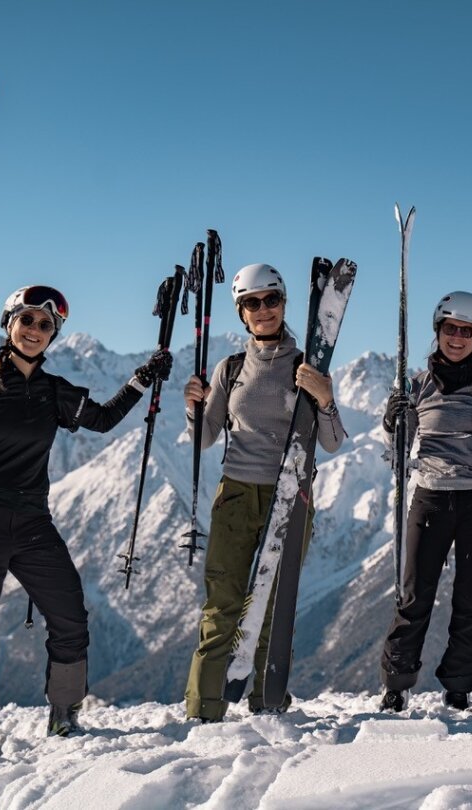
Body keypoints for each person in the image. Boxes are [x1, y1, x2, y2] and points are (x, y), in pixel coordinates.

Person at [0, 285, 172, 743]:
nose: (36, 330)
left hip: (32, 522)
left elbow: (101, 420)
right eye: (27, 320)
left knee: (70, 616)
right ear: (9, 324)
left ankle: (64, 715)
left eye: (46, 325)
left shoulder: (54, 392)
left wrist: (142, 379)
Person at [182, 262, 345, 722]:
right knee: (222, 605)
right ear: (241, 312)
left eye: (271, 299)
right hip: (235, 493)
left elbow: (332, 442)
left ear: (284, 303)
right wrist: (193, 405)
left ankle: (268, 703)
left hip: (292, 494)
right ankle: (203, 710)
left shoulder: (307, 366)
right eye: (252, 303)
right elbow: (208, 435)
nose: (262, 309)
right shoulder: (230, 368)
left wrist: (325, 397)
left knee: (275, 604)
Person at [378, 291, 472, 712]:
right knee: (414, 595)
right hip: (430, 498)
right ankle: (396, 685)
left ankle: (459, 686)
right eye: (450, 329)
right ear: (438, 332)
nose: (457, 338)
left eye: (467, 331)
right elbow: (394, 452)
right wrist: (391, 423)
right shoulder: (415, 385)